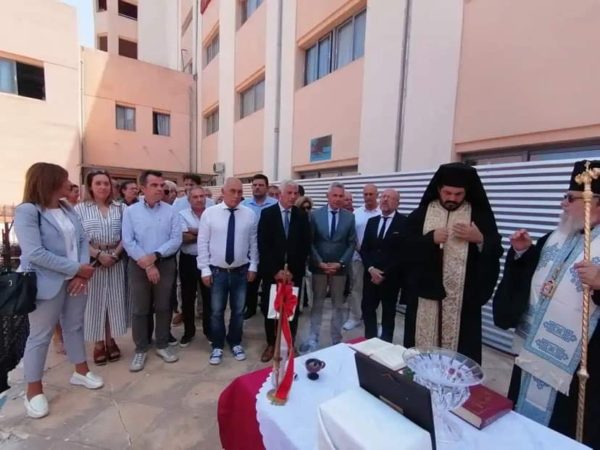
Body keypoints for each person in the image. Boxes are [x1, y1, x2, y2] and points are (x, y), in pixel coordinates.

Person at [493, 160, 600, 448]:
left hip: (581, 368)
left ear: (596, 203)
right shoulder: (556, 237)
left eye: (570, 198)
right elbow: (534, 278)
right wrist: (522, 253)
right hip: (533, 354)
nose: (563, 204)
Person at [14, 162, 102, 419]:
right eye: (64, 179)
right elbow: (34, 253)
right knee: (40, 336)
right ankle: (33, 391)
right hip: (46, 283)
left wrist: (81, 272)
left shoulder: (67, 208)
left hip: (75, 279)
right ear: (49, 181)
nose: (70, 184)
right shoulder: (28, 211)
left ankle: (81, 371)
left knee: (74, 326)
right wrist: (76, 268)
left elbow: (82, 240)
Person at [403, 162, 503, 364]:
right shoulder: (422, 214)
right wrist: (429, 240)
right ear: (439, 189)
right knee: (420, 359)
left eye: (458, 194)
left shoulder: (479, 215)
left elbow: (496, 250)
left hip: (463, 302)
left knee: (459, 361)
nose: (452, 199)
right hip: (425, 298)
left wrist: (480, 240)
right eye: (447, 193)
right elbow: (402, 247)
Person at [122, 170, 182, 372]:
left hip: (164, 263)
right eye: (154, 185)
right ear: (142, 188)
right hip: (139, 265)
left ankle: (162, 344)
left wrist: (155, 256)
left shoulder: (171, 211)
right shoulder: (131, 212)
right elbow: (128, 241)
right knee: (140, 308)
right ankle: (141, 348)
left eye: (161, 185)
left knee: (164, 306)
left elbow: (176, 239)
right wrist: (147, 264)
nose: (159, 189)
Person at [198, 177, 258, 365]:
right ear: (223, 192)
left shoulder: (249, 214)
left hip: (241, 271)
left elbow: (253, 242)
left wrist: (254, 265)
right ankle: (217, 345)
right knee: (216, 311)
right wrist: (204, 269)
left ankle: (235, 341)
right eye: (232, 191)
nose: (236, 195)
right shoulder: (210, 213)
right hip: (217, 272)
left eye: (240, 192)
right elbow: (202, 242)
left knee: (238, 311)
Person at [75, 170, 128, 365]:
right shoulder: (80, 209)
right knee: (95, 303)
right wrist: (98, 255)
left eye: (106, 183)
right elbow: (77, 238)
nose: (103, 187)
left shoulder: (121, 208)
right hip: (92, 261)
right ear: (90, 186)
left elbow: (127, 234)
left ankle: (110, 339)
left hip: (115, 259)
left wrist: (115, 254)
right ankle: (98, 343)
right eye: (98, 183)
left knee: (113, 302)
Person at [300, 182, 356, 353]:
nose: (338, 199)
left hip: (340, 269)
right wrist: (319, 262)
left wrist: (341, 263)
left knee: (338, 305)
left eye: (341, 196)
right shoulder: (315, 215)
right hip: (319, 268)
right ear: (328, 196)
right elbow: (310, 241)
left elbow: (352, 243)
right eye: (335, 195)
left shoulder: (349, 217)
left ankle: (336, 340)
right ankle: (313, 338)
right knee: (317, 304)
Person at [257, 180, 310, 362]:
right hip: (273, 272)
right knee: (271, 308)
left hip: (294, 272)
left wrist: (293, 271)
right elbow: (263, 246)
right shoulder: (268, 214)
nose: (293, 197)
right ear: (280, 194)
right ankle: (271, 344)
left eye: (296, 193)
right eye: (289, 193)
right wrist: (275, 271)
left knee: (291, 310)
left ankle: (289, 343)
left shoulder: (301, 215)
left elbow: (305, 246)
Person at [360, 189, 408, 342]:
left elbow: (402, 254)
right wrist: (370, 269)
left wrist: (383, 273)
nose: (385, 200)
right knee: (367, 309)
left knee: (388, 312)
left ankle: (386, 344)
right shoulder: (372, 222)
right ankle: (370, 341)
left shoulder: (404, 223)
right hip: (370, 276)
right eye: (383, 197)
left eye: (390, 198)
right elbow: (364, 249)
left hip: (390, 279)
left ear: (397, 203)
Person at [343, 184, 381, 331]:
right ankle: (354, 317)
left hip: (376, 260)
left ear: (377, 195)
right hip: (358, 258)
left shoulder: (382, 212)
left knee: (377, 290)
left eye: (371, 194)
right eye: (365, 194)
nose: (368, 197)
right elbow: (351, 235)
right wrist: (359, 249)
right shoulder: (356, 213)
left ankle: (378, 321)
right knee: (356, 289)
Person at [178, 186, 211, 346]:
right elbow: (183, 237)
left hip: (208, 260)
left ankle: (209, 331)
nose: (199, 199)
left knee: (209, 298)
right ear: (189, 199)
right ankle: (188, 332)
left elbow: (216, 235)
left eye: (201, 196)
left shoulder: (212, 213)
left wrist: (194, 231)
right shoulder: (181, 214)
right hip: (188, 260)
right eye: (195, 197)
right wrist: (205, 233)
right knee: (188, 298)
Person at [241, 174, 277, 319]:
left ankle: (266, 307)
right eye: (255, 185)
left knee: (268, 282)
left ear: (267, 188)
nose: (257, 187)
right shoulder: (244, 205)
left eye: (261, 185)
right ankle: (250, 308)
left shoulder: (275, 204)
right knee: (251, 282)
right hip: (249, 251)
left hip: (269, 251)